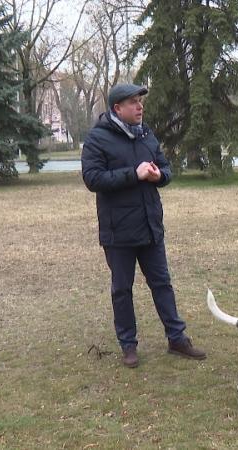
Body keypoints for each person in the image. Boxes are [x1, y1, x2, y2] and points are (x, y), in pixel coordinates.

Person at [81, 83, 206, 368]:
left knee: (162, 284)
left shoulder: (146, 134)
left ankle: (177, 338)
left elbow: (166, 170)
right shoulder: (98, 139)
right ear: (117, 108)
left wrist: (157, 175)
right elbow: (93, 179)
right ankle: (128, 345)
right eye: (133, 102)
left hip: (150, 226)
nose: (140, 107)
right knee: (122, 289)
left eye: (140, 101)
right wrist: (133, 174)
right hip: (118, 231)